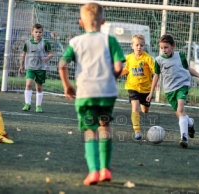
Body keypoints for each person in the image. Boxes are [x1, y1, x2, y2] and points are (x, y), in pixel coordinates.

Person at [59, 3, 125, 185]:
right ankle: (105, 169)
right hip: (107, 94)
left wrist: (67, 86)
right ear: (103, 22)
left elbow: (62, 64)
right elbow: (119, 66)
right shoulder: (110, 40)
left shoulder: (76, 42)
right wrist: (111, 78)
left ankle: (93, 171)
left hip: (86, 94)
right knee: (105, 126)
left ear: (81, 23)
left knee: (90, 131)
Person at [146, 34, 199, 148]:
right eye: (161, 48)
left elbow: (188, 69)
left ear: (173, 46)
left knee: (180, 109)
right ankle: (190, 123)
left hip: (182, 85)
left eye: (166, 47)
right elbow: (156, 76)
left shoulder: (180, 56)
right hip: (169, 90)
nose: (164, 50)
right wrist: (151, 92)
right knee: (180, 114)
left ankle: (184, 138)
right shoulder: (158, 60)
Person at [120, 34, 155, 140]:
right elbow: (127, 69)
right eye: (137, 45)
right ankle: (137, 131)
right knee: (135, 106)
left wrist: (156, 82)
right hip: (133, 87)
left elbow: (155, 72)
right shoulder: (129, 58)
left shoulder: (148, 58)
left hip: (146, 89)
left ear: (144, 46)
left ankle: (144, 105)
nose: (139, 47)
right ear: (132, 46)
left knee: (145, 110)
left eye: (142, 45)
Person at [18, 23, 53, 113]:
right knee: (28, 84)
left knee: (39, 87)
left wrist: (47, 57)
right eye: (36, 32)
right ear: (32, 32)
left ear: (42, 33)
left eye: (40, 32)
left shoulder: (45, 43)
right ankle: (27, 104)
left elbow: (51, 54)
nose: (38, 34)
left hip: (41, 68)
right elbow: (24, 55)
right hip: (30, 67)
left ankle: (38, 106)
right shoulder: (27, 43)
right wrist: (21, 65)